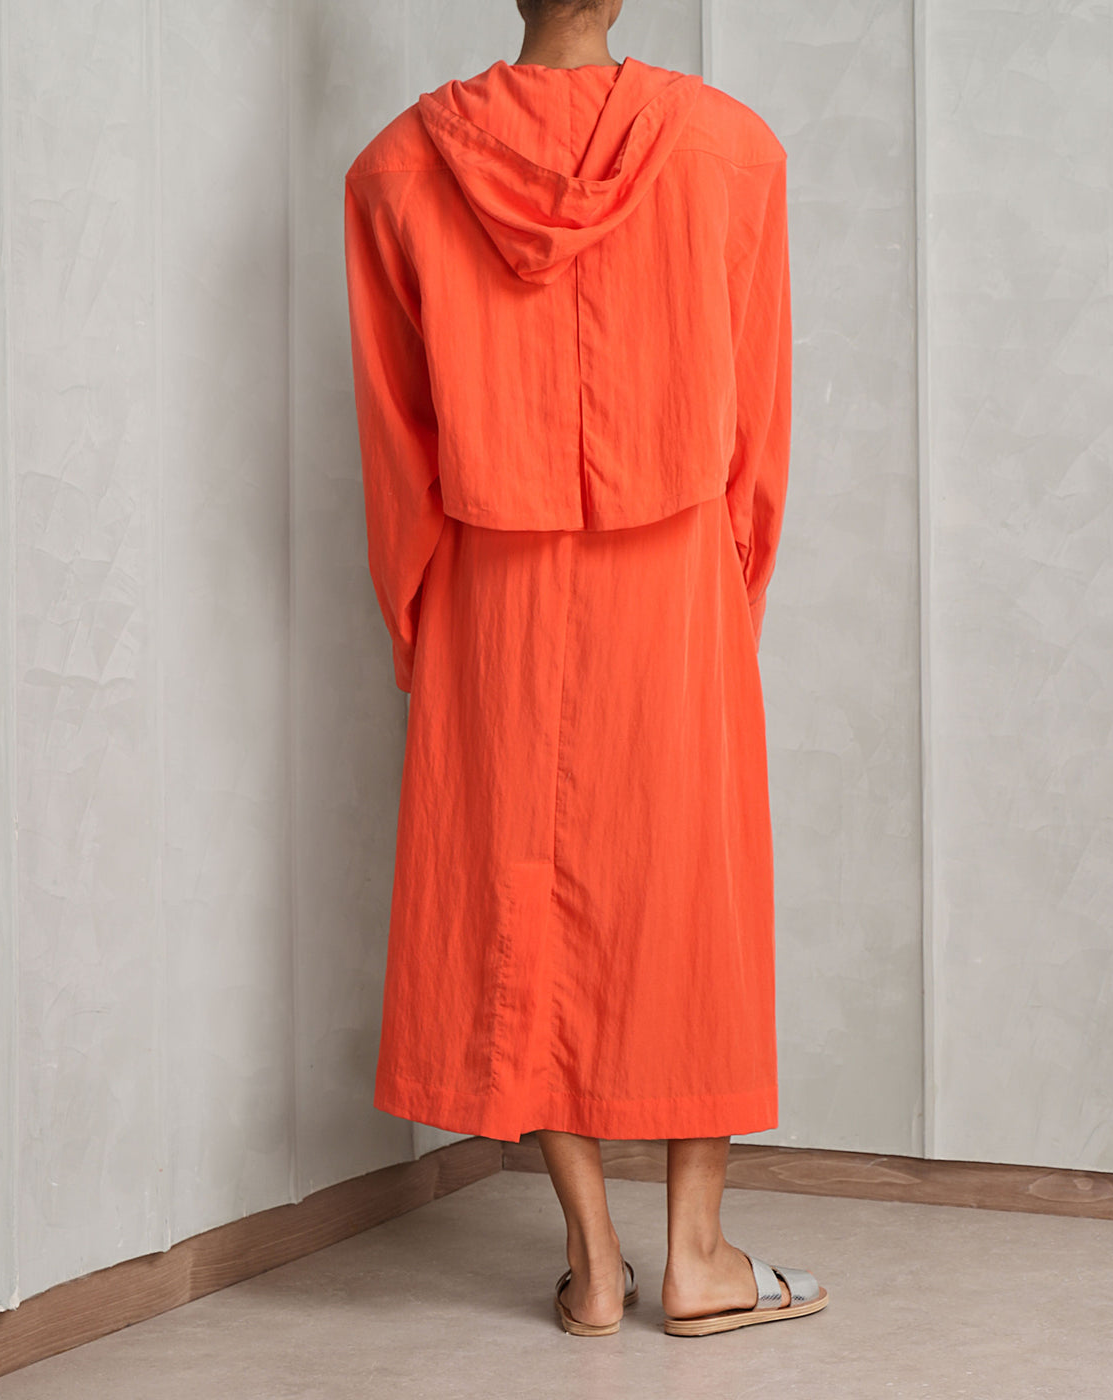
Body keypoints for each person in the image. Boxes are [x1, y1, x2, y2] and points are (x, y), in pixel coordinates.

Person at [342, 0, 824, 1337]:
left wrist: (416, 619)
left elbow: (395, 443)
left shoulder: (394, 169)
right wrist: (735, 583)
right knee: (688, 891)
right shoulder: (732, 150)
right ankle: (699, 1255)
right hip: (676, 575)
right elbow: (759, 425)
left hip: (490, 587)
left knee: (519, 887)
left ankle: (596, 1260)